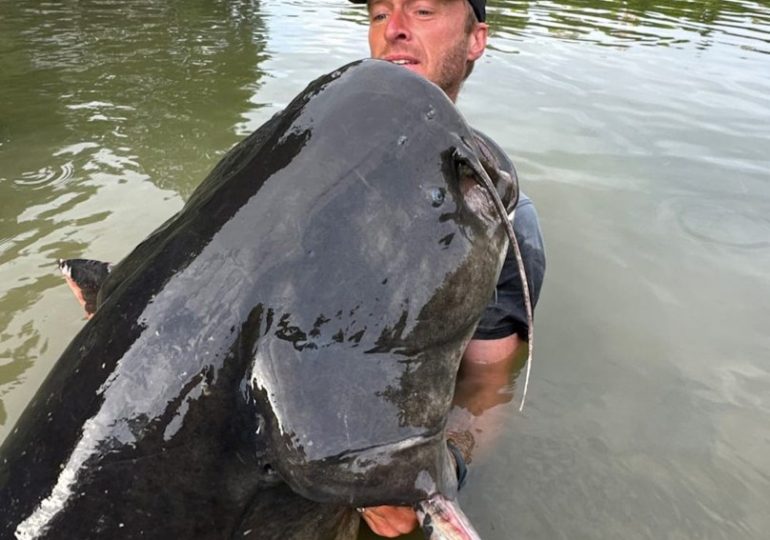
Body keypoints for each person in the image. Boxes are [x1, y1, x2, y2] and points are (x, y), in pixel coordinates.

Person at [346, 0, 546, 536]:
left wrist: (437, 473)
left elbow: (486, 384)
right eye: (379, 13)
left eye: (424, 10)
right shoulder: (300, 170)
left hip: (370, 470)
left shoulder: (499, 219)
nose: (395, 30)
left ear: (476, 39)